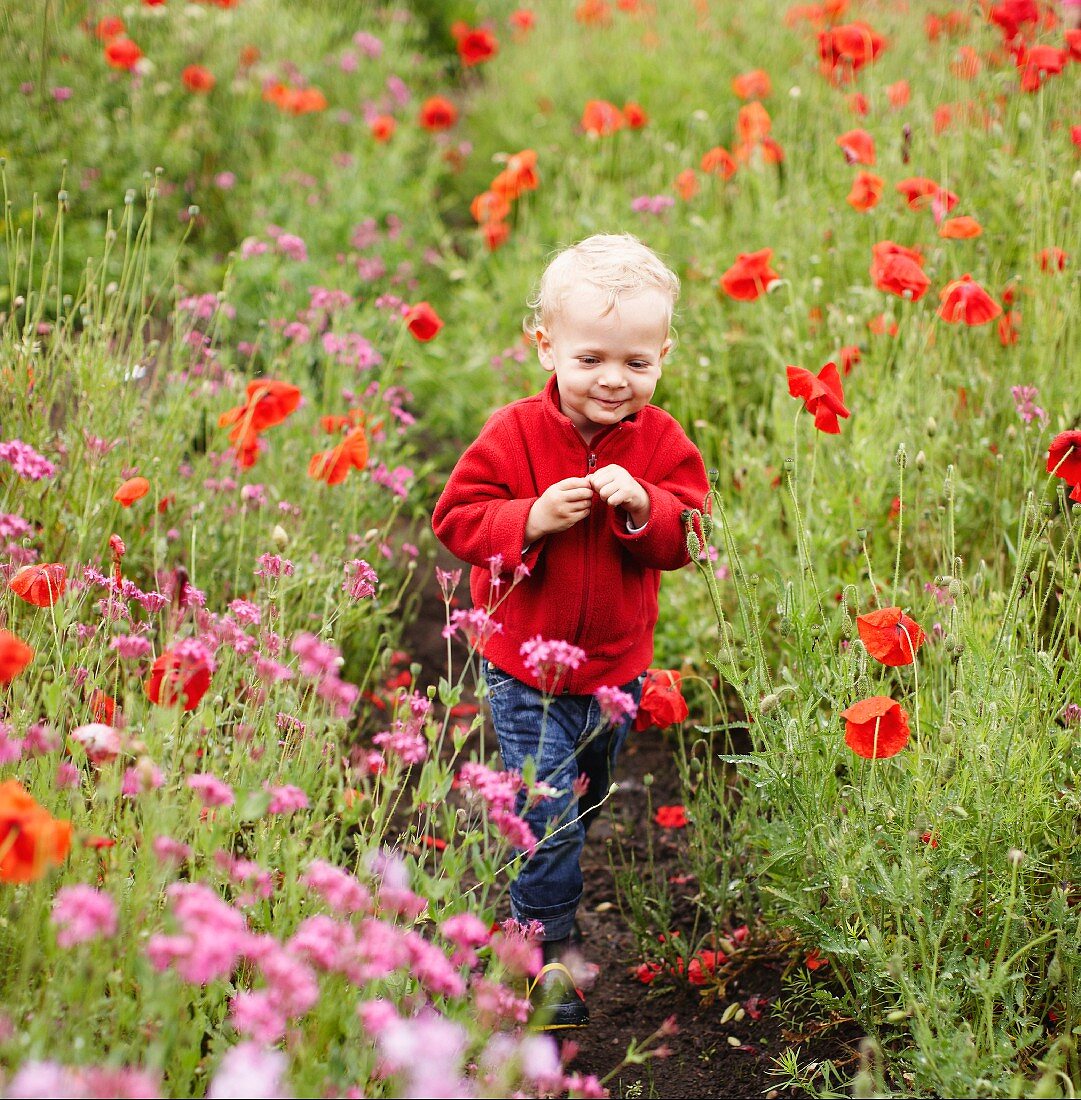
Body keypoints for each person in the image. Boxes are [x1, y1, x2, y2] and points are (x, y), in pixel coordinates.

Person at [432, 233, 709, 1027]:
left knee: (576, 806)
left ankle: (534, 881)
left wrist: (644, 508)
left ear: (663, 353)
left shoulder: (661, 444)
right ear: (545, 345)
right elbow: (455, 518)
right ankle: (543, 954)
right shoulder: (512, 433)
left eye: (636, 362)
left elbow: (691, 536)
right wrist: (530, 518)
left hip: (616, 671)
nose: (613, 380)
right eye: (590, 359)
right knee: (549, 815)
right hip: (523, 666)